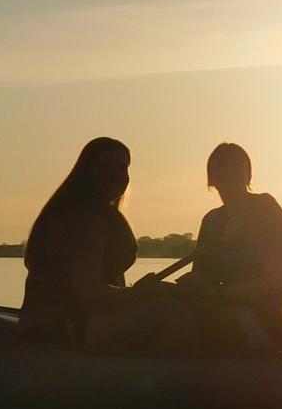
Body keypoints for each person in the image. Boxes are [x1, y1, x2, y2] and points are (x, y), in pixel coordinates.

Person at [20, 136, 196, 354]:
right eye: (105, 167)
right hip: (60, 327)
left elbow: (107, 283)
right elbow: (88, 292)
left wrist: (138, 294)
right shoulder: (85, 217)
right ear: (86, 171)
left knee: (171, 299)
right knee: (174, 315)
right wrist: (136, 294)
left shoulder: (103, 214)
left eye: (122, 168)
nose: (116, 175)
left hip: (80, 320)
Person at [180, 142, 282, 351]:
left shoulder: (265, 207)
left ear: (248, 173)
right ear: (211, 178)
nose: (228, 172)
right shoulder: (211, 220)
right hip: (218, 307)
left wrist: (221, 294)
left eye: (236, 166)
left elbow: (277, 280)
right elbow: (199, 276)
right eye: (221, 166)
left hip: (257, 314)